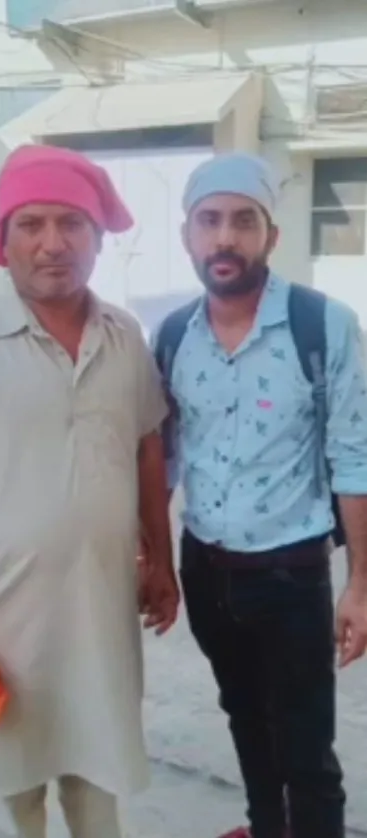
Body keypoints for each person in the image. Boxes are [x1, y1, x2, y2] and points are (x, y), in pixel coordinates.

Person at [0, 144, 179, 838]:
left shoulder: (124, 336)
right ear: (4, 241)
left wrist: (161, 559)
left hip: (98, 604)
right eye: (31, 224)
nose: (52, 244)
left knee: (96, 770)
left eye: (71, 224)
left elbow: (146, 444)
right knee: (11, 785)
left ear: (96, 238)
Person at [151, 152, 367, 838]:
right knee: (244, 717)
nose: (224, 238)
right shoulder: (172, 334)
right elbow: (166, 457)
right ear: (186, 234)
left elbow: (353, 456)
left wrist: (359, 584)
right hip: (206, 569)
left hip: (291, 572)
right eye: (208, 221)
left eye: (243, 221)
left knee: (304, 747)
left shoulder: (322, 325)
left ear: (270, 235)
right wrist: (153, 558)